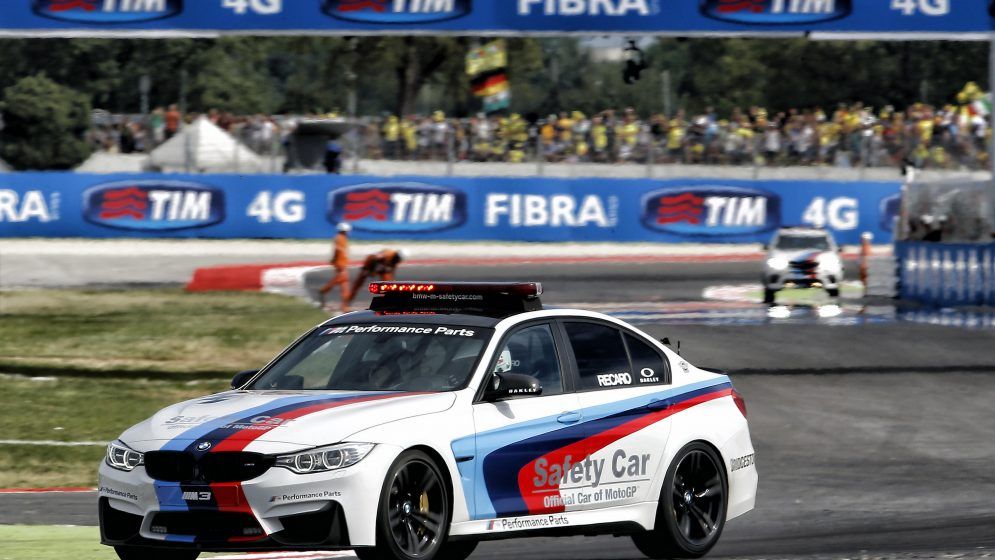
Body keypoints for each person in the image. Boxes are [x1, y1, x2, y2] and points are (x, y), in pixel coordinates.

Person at [318, 223, 352, 312]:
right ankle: (323, 291)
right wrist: (338, 261)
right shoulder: (340, 238)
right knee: (341, 282)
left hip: (341, 263)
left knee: (344, 284)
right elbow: (338, 250)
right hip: (341, 264)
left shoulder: (341, 238)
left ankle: (344, 306)